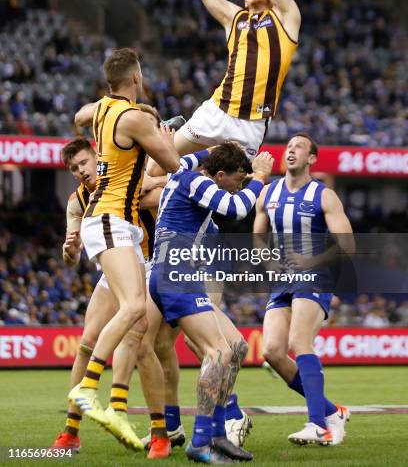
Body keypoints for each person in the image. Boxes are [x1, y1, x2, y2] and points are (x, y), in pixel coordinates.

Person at [68, 48, 179, 459]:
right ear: (137, 77)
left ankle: (143, 425)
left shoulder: (102, 109)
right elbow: (172, 162)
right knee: (134, 309)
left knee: (137, 329)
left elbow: (81, 115)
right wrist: (163, 136)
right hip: (115, 219)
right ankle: (89, 390)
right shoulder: (135, 118)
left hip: (116, 225)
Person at [147, 143, 274, 463]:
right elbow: (236, 208)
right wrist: (258, 177)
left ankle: (217, 434)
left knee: (236, 348)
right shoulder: (198, 182)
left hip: (175, 272)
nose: (240, 185)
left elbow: (189, 157)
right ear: (219, 175)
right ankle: (202, 439)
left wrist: (215, 147)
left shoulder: (183, 171)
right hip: (177, 274)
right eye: (238, 179)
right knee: (217, 352)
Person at [149, 0, 300, 163]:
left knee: (233, 197)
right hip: (217, 112)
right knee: (155, 167)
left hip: (251, 126)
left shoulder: (286, 18)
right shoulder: (234, 18)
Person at [52, 135, 167, 455]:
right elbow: (71, 257)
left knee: (143, 345)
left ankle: (160, 433)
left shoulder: (121, 176)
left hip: (148, 263)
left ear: (97, 158)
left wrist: (155, 183)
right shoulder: (77, 202)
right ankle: (70, 433)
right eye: (74, 169)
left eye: (84, 163)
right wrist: (70, 250)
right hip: (115, 264)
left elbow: (158, 190)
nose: (80, 171)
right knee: (86, 342)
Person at [253, 133, 354, 445]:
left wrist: (312, 260)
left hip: (315, 276)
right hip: (281, 280)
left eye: (299, 147)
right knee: (272, 352)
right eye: (288, 146)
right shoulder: (267, 193)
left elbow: (348, 244)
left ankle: (317, 424)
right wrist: (269, 264)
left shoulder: (323, 196)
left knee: (299, 342)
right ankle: (331, 411)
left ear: (312, 158)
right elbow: (257, 239)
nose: (291, 150)